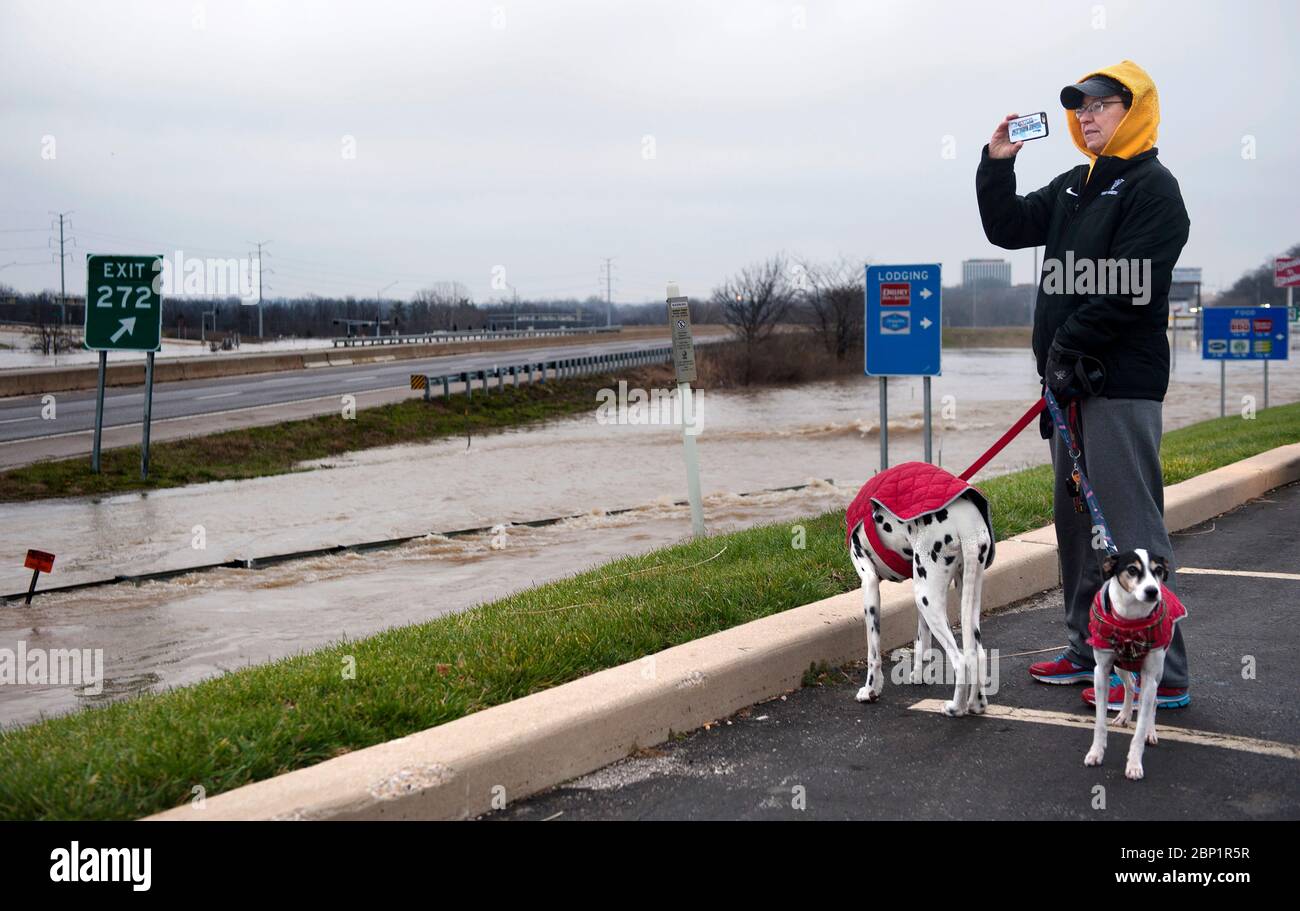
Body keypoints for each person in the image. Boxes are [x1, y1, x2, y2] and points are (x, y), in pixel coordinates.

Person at [975, 60, 1192, 709]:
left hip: (1119, 383)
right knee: (1076, 527)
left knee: (1129, 526)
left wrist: (1066, 346)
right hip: (1068, 386)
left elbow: (1132, 288)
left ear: (1136, 109)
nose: (1086, 114)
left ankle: (1165, 671)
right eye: (1079, 105)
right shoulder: (1075, 187)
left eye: (1101, 103)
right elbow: (1007, 227)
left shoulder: (1155, 189)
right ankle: (1088, 646)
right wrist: (996, 161)